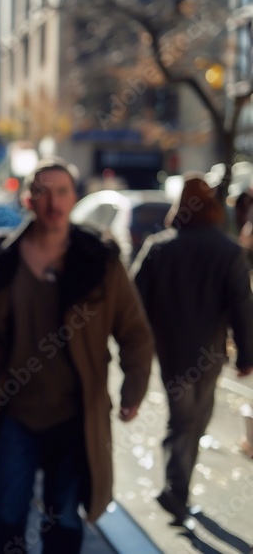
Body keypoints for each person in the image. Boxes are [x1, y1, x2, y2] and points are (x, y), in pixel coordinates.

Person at [0, 158, 153, 554]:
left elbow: (134, 332)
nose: (53, 202)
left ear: (74, 197)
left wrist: (134, 389)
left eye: (62, 191)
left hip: (75, 415)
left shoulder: (99, 259)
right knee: (8, 512)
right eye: (43, 192)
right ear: (28, 200)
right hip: (17, 413)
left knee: (63, 520)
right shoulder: (2, 260)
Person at [130, 174, 253, 525]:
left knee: (184, 420)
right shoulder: (228, 250)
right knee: (193, 421)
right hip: (211, 353)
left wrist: (140, 348)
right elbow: (242, 306)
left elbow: (134, 304)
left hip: (172, 353)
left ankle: (176, 490)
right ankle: (176, 491)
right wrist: (246, 354)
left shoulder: (159, 247)